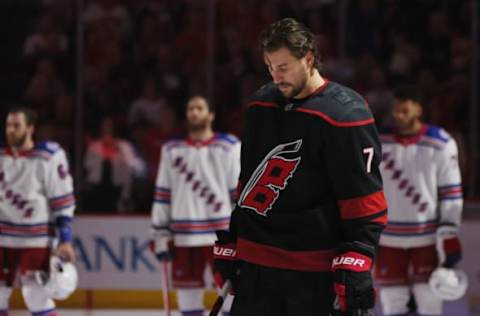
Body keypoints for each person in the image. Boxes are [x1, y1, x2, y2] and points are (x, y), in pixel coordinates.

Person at [212, 18, 388, 316]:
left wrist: (359, 254)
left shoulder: (345, 113)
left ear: (308, 58)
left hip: (313, 272)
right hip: (257, 267)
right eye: (270, 67)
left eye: (283, 67)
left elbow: (363, 199)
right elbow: (249, 183)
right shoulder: (260, 106)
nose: (275, 76)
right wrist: (234, 237)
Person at [375, 86, 463, 316]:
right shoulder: (377, 140)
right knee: (393, 302)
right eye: (395, 110)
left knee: (430, 301)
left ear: (418, 108)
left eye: (404, 109)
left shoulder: (440, 142)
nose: (398, 115)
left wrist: (449, 230)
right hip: (388, 237)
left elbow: (451, 191)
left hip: (428, 237)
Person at [150, 96, 241, 316]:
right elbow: (163, 193)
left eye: (199, 108)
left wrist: (242, 231)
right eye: (190, 108)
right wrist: (159, 232)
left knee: (230, 297)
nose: (194, 112)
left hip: (222, 235)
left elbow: (238, 194)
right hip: (184, 236)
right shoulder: (172, 150)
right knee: (188, 301)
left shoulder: (229, 147)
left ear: (211, 115)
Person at [0, 106, 76, 316]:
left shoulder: (47, 157)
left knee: (34, 295)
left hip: (36, 239)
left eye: (17, 125)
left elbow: (62, 200)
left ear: (30, 128)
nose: (11, 130)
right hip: (3, 238)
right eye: (8, 125)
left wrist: (65, 239)